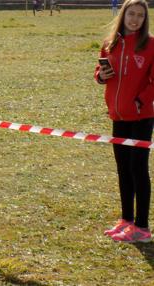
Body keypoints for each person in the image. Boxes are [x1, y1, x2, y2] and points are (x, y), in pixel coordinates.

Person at [95, 0, 154, 243]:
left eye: (140, 15)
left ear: (145, 19)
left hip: (141, 116)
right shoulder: (110, 44)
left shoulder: (151, 45)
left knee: (137, 169)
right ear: (123, 15)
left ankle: (142, 227)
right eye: (131, 14)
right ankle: (126, 220)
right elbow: (99, 72)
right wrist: (101, 76)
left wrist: (140, 101)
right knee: (123, 169)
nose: (135, 19)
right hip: (117, 116)